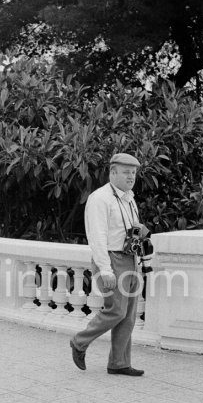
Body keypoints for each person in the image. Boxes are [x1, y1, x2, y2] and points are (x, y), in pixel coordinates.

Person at [70, 152, 149, 377]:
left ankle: (119, 362)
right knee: (116, 310)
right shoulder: (100, 198)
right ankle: (79, 342)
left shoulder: (128, 198)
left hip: (129, 258)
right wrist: (105, 269)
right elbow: (97, 237)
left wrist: (140, 231)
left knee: (129, 314)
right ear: (112, 172)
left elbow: (127, 229)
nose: (131, 177)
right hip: (112, 259)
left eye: (133, 173)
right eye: (126, 172)